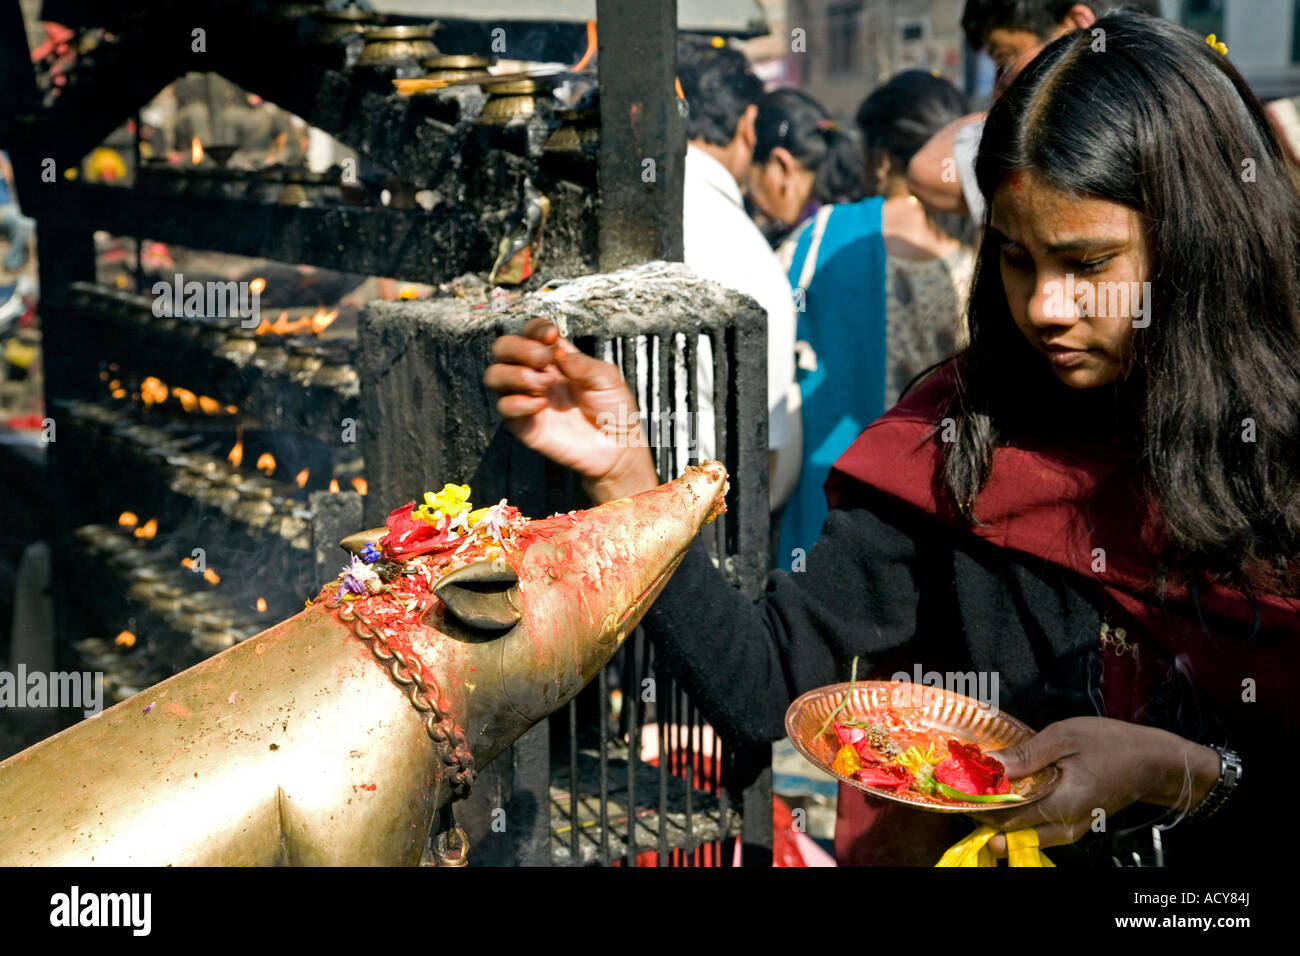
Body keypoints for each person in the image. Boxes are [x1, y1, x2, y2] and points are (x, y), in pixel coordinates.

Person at [485, 11, 1300, 867]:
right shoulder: (961, 441)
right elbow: (769, 683)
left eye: (1087, 264)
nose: (1045, 308)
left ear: (1197, 244)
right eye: (1017, 260)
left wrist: (1186, 774)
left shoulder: (1277, 455)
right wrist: (628, 480)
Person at [773, 71, 976, 567]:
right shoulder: (981, 255)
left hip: (838, 493)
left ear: (882, 157)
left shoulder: (824, 234)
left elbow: (773, 338)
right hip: (943, 501)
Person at [909, 0, 1162, 223]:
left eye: (1006, 58)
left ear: (1077, 24)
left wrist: (1010, 110)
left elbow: (927, 172)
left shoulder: (1067, 127)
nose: (1001, 83)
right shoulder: (1167, 87)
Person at [676, 39, 797, 489]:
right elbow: (759, 457)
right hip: (699, 531)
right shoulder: (750, 258)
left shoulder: (611, 208)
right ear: (749, 123)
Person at [746, 88, 865, 242]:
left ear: (783, 165)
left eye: (750, 184)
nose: (756, 206)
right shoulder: (857, 220)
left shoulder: (805, 248)